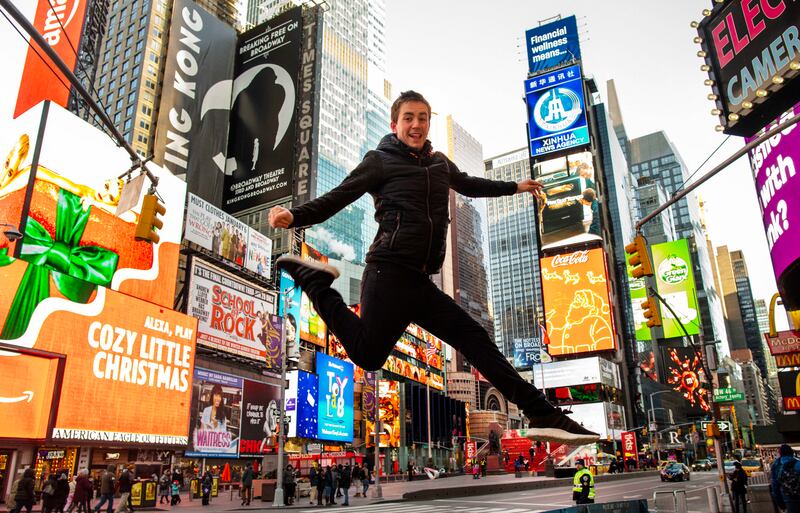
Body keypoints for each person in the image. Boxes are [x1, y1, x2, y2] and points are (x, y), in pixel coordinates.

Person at [270, 90, 598, 445]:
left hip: (420, 281)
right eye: (408, 118)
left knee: (474, 339)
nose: (416, 124)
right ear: (395, 124)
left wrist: (515, 186)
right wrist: (296, 216)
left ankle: (542, 412)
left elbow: (470, 184)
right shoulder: (379, 161)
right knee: (368, 355)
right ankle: (316, 284)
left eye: (423, 118)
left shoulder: (440, 163)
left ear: (429, 124)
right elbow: (341, 194)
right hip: (388, 272)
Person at [771, 443, 800, 513]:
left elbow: (775, 486)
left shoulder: (776, 465)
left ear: (780, 453)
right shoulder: (798, 463)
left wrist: (780, 503)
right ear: (792, 452)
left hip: (787, 496)